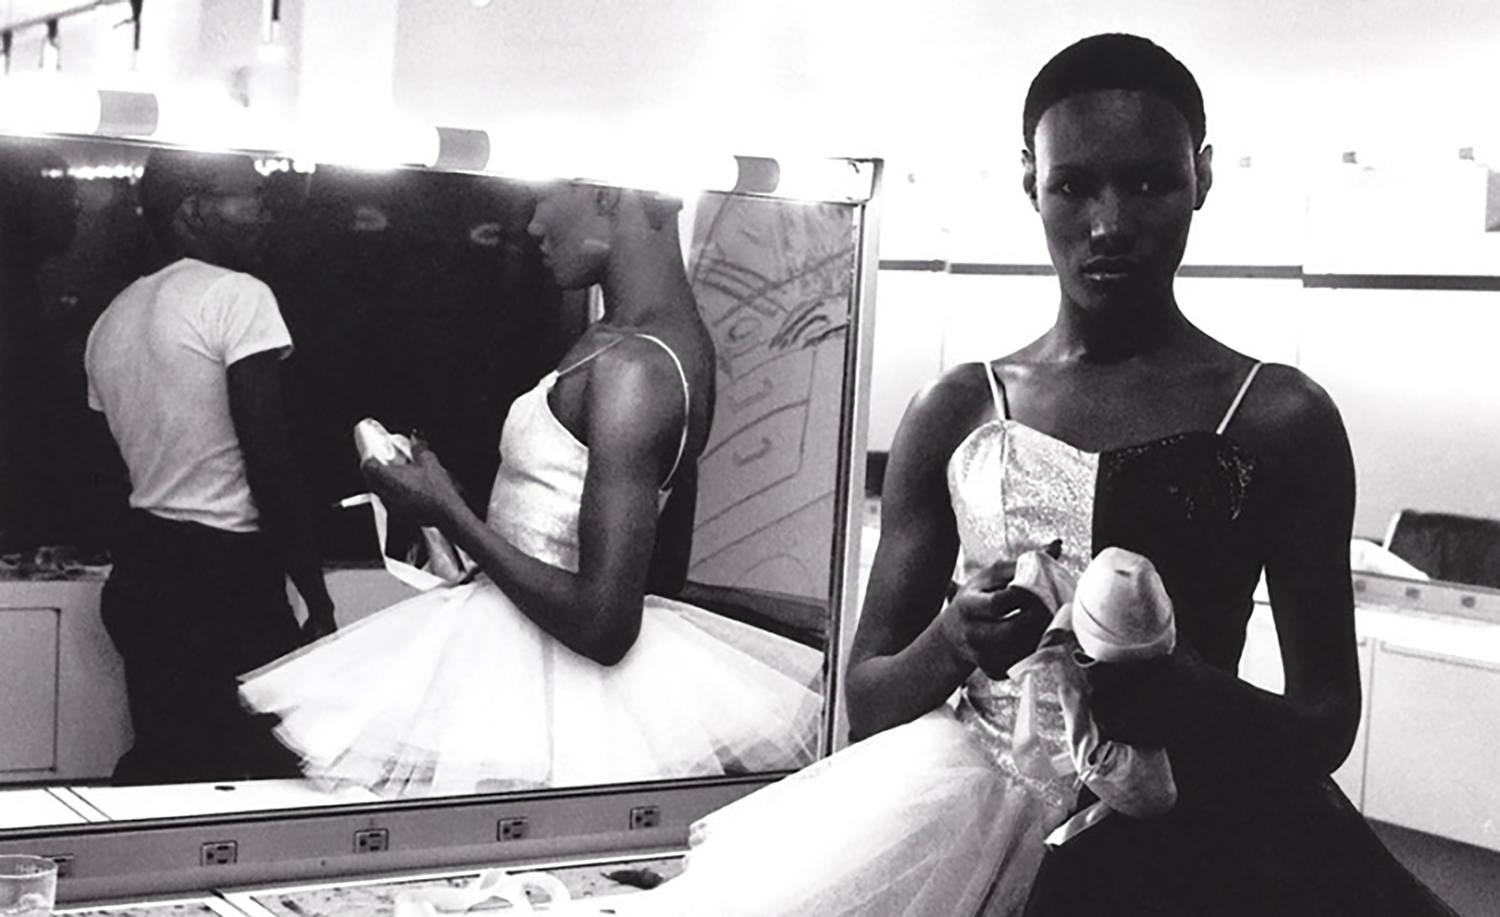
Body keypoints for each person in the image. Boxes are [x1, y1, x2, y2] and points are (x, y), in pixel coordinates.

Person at [612, 33, 1459, 917]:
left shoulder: (1281, 417)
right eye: (1074, 185)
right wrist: (953, 640)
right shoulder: (958, 409)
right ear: (1030, 183)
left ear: (1202, 178)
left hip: (1216, 838)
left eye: (1148, 183)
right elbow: (866, 697)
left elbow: (1326, 718)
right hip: (969, 820)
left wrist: (1192, 692)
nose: (1109, 223)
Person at [238, 180, 823, 797]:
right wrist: (455, 509)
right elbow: (662, 570)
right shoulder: (661, 346)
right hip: (531, 668)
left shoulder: (635, 369)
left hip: (549, 697)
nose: (535, 224)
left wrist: (451, 512)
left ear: (605, 194)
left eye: (546, 197)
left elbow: (604, 624)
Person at [84, 149, 337, 785]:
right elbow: (269, 461)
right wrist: (314, 593)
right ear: (194, 211)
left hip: (144, 571)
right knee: (259, 778)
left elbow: (114, 474)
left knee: (173, 768)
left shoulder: (113, 319)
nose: (264, 210)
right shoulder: (238, 296)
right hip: (223, 579)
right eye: (247, 195)